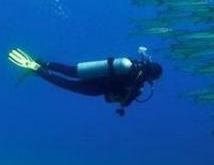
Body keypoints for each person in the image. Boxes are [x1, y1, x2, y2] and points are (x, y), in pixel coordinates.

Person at [7, 46, 162, 116]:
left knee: (69, 70)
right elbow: (124, 102)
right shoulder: (138, 83)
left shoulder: (133, 64)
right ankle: (39, 70)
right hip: (98, 87)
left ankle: (44, 63)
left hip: (96, 71)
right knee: (68, 84)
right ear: (151, 76)